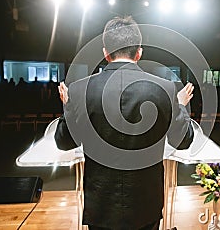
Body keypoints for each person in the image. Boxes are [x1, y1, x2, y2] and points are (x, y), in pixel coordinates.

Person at [54, 16, 195, 230]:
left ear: (105, 53)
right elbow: (183, 141)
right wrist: (181, 105)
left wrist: (67, 106)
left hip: (101, 206)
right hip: (146, 205)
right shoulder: (165, 89)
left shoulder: (79, 90)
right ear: (139, 53)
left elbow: (63, 141)